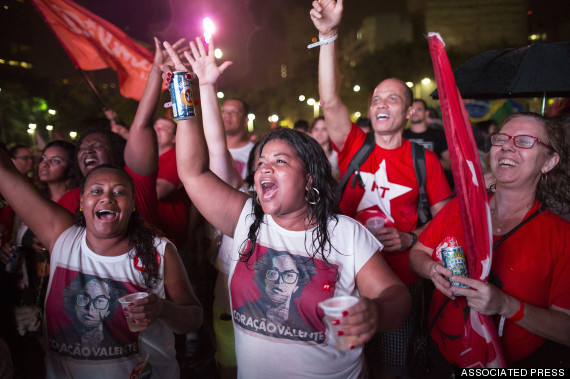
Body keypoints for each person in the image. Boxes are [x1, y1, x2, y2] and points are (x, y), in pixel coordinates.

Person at [166, 37, 411, 378]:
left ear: (310, 178)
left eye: (280, 161)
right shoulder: (246, 218)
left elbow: (397, 296)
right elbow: (192, 171)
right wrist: (184, 91)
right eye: (262, 161)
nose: (265, 168)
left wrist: (375, 311)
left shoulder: (344, 233)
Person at [310, 1, 452, 377]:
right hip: (342, 280)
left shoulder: (425, 161)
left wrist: (410, 239)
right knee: (341, 363)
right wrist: (327, 35)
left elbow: (448, 225)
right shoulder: (356, 145)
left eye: (393, 98)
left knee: (392, 367)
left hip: (398, 288)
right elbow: (329, 100)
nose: (381, 104)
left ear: (408, 113)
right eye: (375, 99)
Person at [0, 148, 203, 377]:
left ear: (133, 204)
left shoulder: (157, 252)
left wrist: (162, 309)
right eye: (96, 191)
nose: (107, 198)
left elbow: (193, 318)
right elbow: (4, 172)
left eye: (119, 192)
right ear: (82, 201)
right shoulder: (61, 237)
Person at [410, 113, 570, 373]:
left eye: (525, 141)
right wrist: (430, 270)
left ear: (549, 162)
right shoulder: (461, 208)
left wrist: (505, 305)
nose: (507, 146)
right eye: (502, 139)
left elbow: (566, 330)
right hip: (439, 359)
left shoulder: (562, 236)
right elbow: (418, 253)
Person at [57, 38, 189, 227]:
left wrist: (156, 72)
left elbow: (142, 124)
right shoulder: (69, 199)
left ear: (117, 153)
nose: (88, 151)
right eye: (82, 148)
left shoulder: (136, 184)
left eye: (97, 146)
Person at [153, 117, 191, 248]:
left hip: (168, 233)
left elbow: (158, 192)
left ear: (174, 138)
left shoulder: (176, 157)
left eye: (163, 128)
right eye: (155, 127)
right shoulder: (148, 156)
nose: (156, 130)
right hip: (149, 228)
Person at [404, 99, 451, 172]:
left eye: (419, 109)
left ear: (426, 113)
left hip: (433, 180)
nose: (414, 112)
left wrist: (427, 160)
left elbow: (449, 165)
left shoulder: (438, 134)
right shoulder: (401, 135)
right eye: (412, 110)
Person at [221, 98, 255, 179]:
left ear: (245, 121)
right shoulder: (207, 148)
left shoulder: (255, 153)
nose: (227, 115)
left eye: (234, 112)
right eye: (223, 111)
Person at [310, 116, 340, 181]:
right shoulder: (307, 153)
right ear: (311, 132)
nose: (319, 133)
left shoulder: (337, 154)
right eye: (316, 129)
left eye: (324, 129)